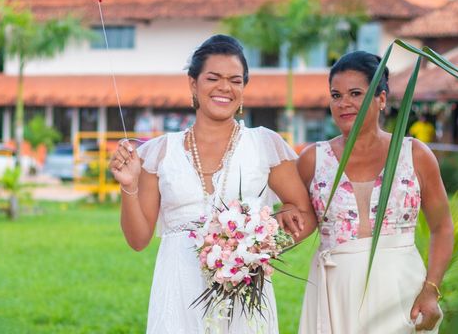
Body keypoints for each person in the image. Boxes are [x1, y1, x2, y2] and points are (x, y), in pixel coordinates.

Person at [109, 35, 316, 334]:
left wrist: (257, 249)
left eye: (235, 80)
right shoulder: (160, 152)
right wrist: (128, 185)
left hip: (244, 291)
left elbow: (305, 215)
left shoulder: (264, 144)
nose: (224, 88)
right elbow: (138, 239)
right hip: (178, 289)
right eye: (213, 78)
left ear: (244, 89)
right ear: (193, 84)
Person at [297, 51, 453, 334]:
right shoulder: (312, 159)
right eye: (336, 95)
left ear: (381, 99)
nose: (344, 103)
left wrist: (431, 289)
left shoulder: (414, 154)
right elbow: (298, 222)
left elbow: (442, 227)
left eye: (356, 93)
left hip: (400, 290)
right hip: (336, 290)